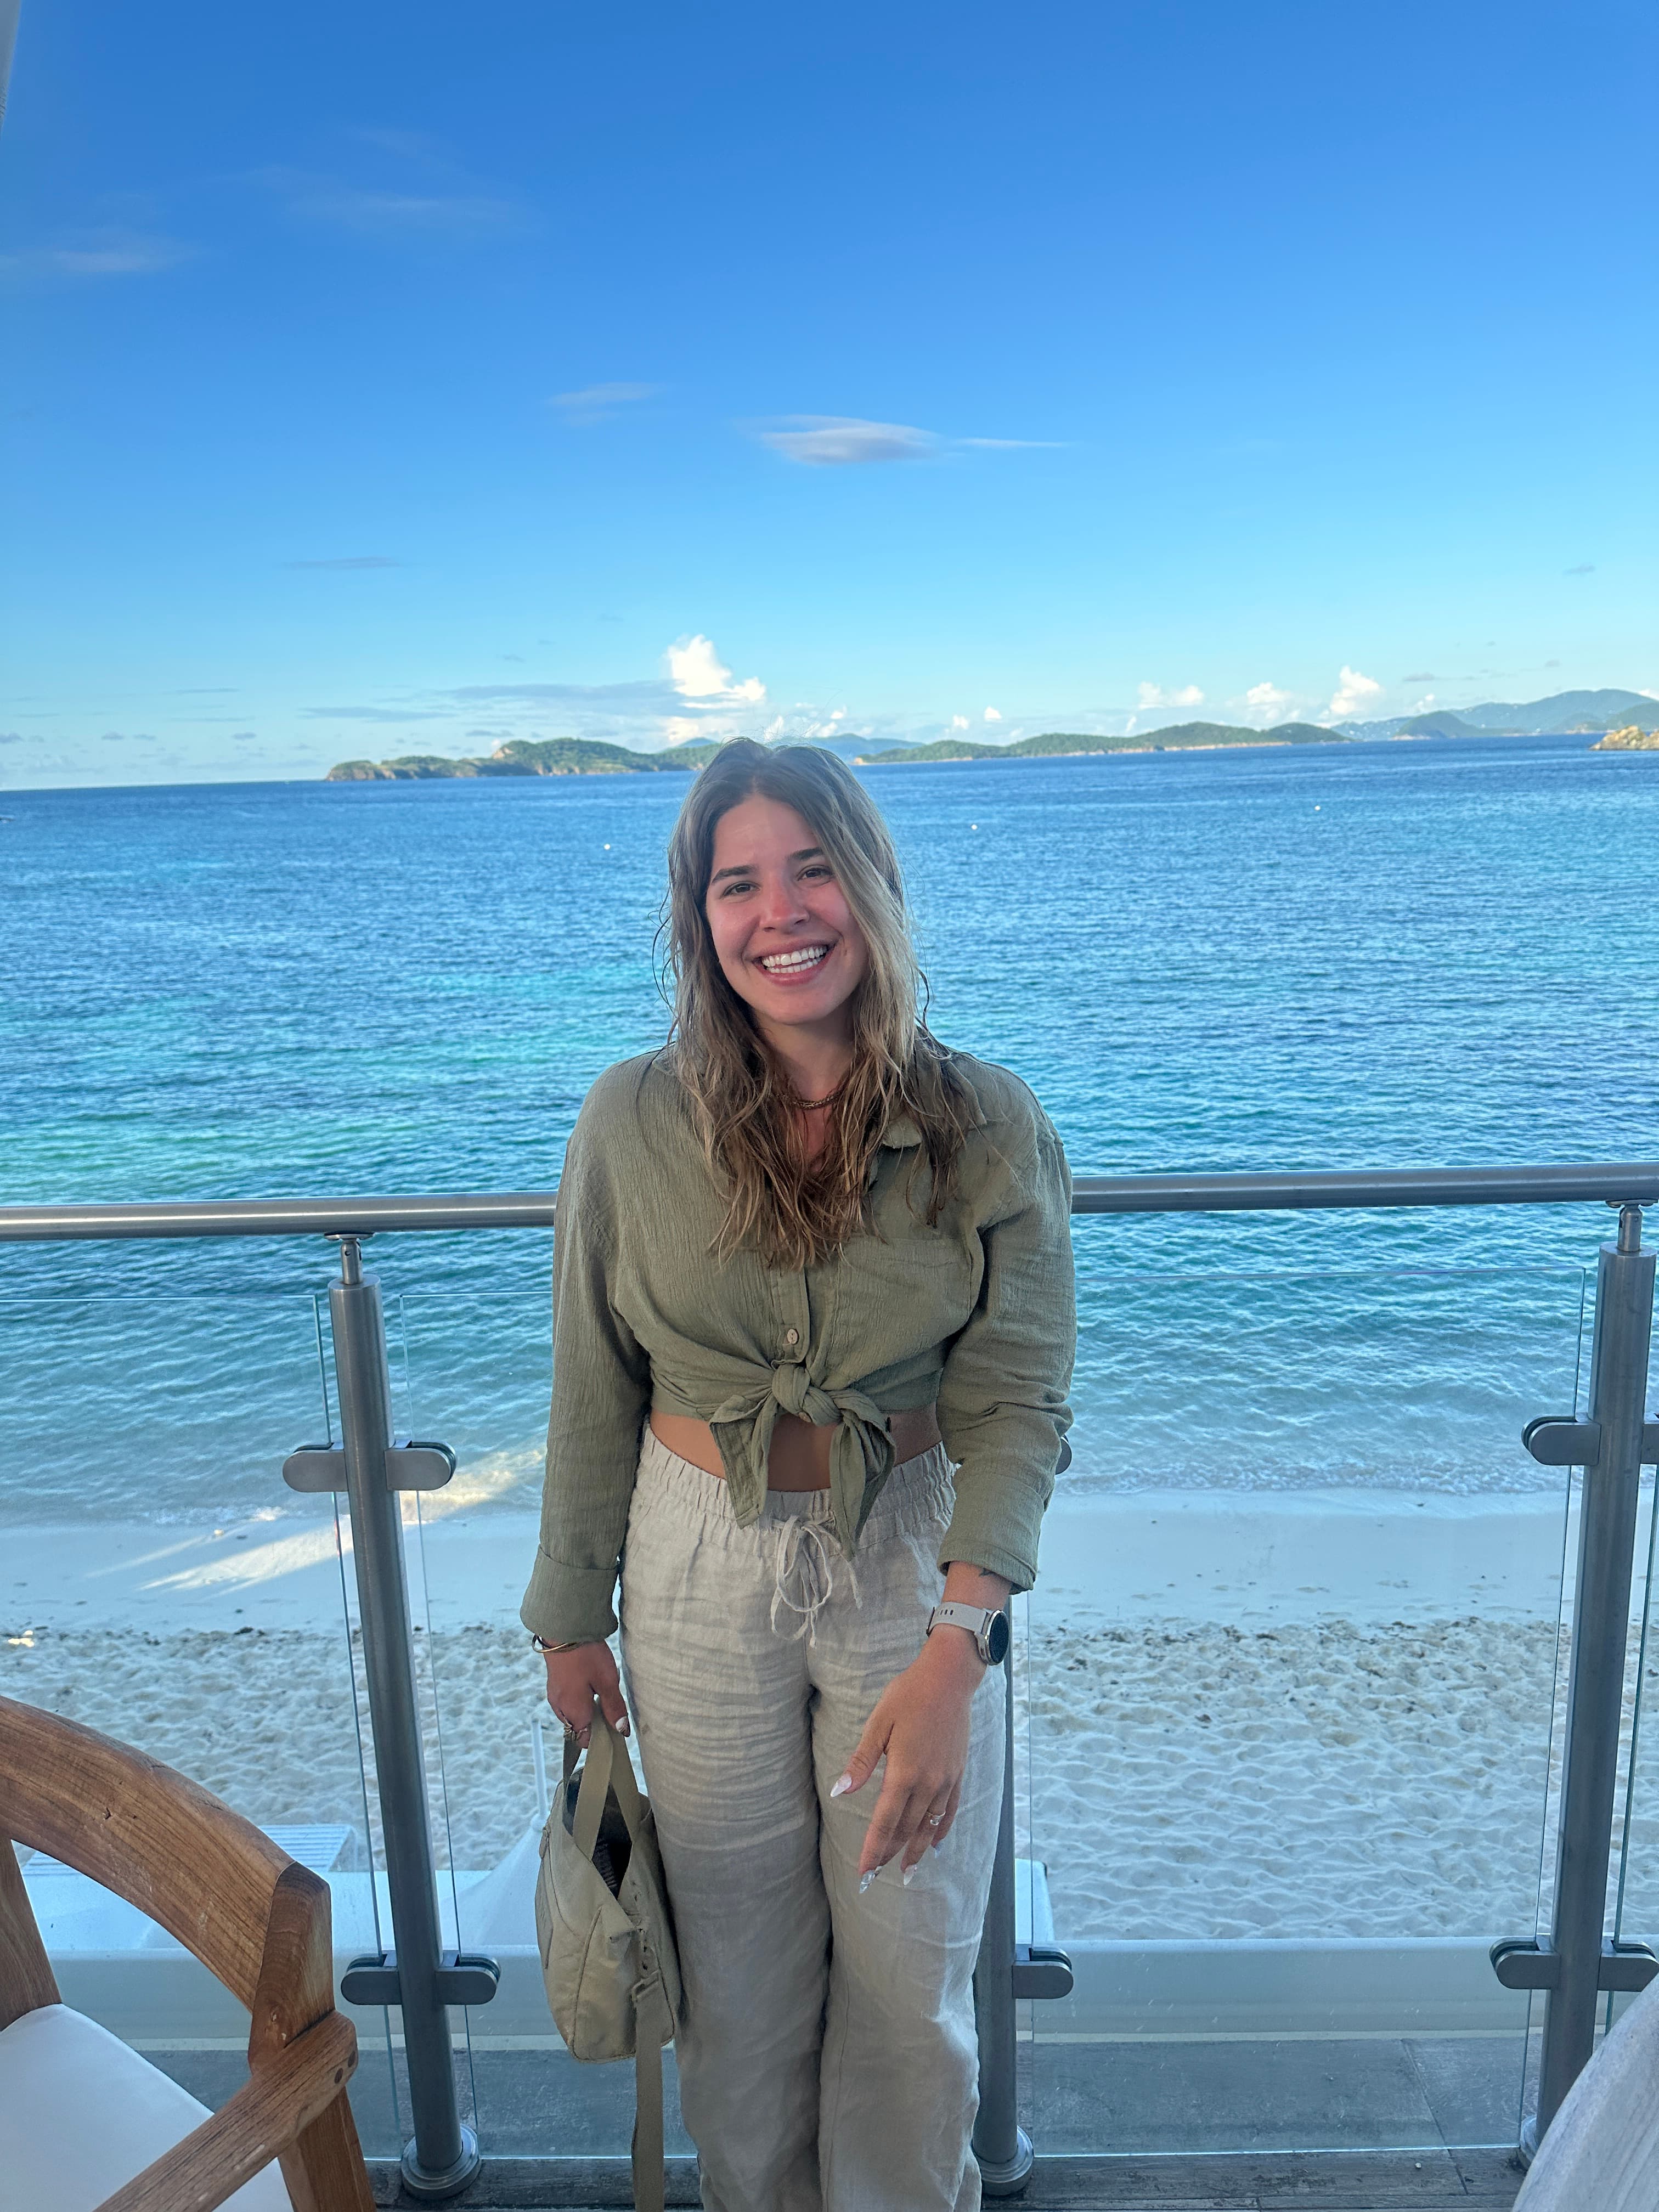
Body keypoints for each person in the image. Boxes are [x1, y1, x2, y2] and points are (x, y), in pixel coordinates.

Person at [522, 740, 1075, 2212]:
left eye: (814, 867)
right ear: (700, 920)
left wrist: (964, 1648)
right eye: (738, 882)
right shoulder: (629, 1121)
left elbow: (1018, 1404)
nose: (783, 913)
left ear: (874, 885)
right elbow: (592, 1382)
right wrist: (570, 1616)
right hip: (691, 1555)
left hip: (910, 1556)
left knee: (910, 1982)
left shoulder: (990, 1125)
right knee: (742, 1986)